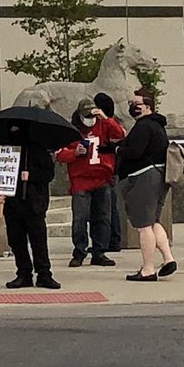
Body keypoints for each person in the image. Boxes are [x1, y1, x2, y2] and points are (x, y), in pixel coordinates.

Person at [55, 98, 126, 268]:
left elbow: (120, 135)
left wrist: (106, 118)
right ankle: (79, 251)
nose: (90, 119)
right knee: (80, 219)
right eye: (87, 116)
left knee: (102, 218)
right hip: (80, 181)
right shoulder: (71, 131)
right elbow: (59, 154)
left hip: (102, 178)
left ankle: (99, 251)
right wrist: (74, 153)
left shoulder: (104, 126)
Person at [115, 87, 175, 282]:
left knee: (143, 226)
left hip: (143, 177)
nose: (132, 107)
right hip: (158, 177)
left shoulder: (143, 126)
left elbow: (135, 152)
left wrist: (118, 149)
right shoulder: (157, 126)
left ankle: (148, 269)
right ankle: (168, 259)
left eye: (136, 104)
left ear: (148, 107)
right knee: (153, 221)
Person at [1, 125, 61, 290]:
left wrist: (31, 175)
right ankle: (23, 273)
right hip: (12, 204)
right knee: (16, 241)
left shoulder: (37, 150)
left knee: (38, 241)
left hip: (34, 204)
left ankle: (44, 274)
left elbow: (49, 174)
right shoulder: (5, 151)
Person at [95, 91, 126, 253]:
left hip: (109, 170)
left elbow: (119, 136)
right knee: (110, 208)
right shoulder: (109, 123)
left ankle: (113, 240)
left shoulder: (108, 124)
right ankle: (113, 239)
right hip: (110, 169)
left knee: (109, 208)